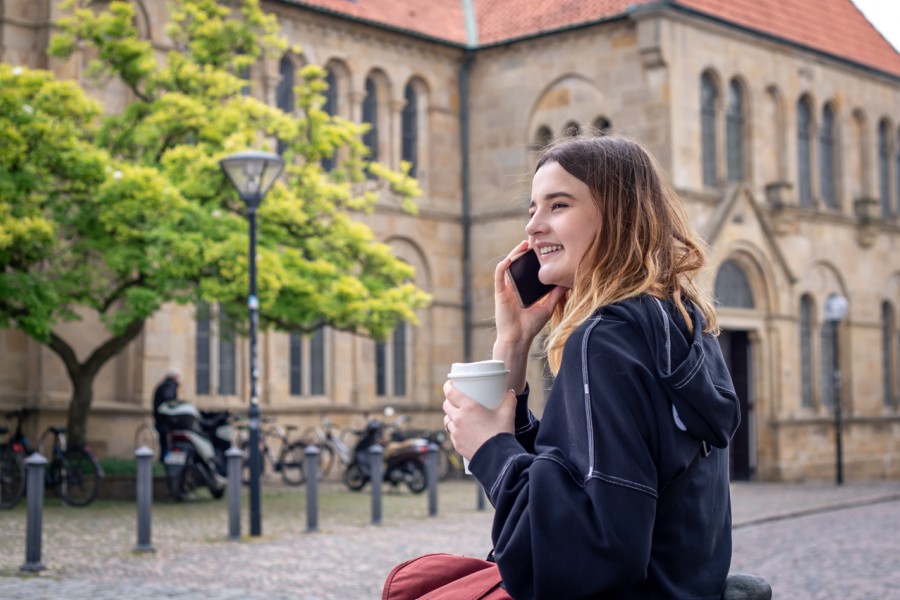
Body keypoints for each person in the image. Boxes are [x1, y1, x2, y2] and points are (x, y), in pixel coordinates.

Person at [438, 134, 741, 599]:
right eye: (532, 209)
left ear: (618, 216)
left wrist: (490, 450)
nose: (534, 227)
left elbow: (590, 550)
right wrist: (514, 343)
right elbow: (583, 479)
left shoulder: (603, 339)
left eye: (558, 205)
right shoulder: (680, 323)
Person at [153, 367, 180, 462]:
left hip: (160, 420)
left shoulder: (163, 385)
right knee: (167, 444)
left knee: (163, 443)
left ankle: (164, 461)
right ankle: (166, 463)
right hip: (166, 422)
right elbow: (168, 402)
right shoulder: (170, 386)